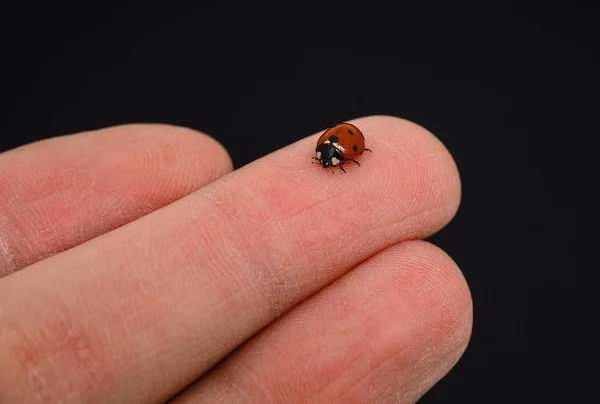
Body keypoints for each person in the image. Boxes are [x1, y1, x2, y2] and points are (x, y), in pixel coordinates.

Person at [0, 115, 472, 403]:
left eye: (335, 157)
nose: (332, 159)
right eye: (333, 156)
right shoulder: (339, 146)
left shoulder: (342, 143)